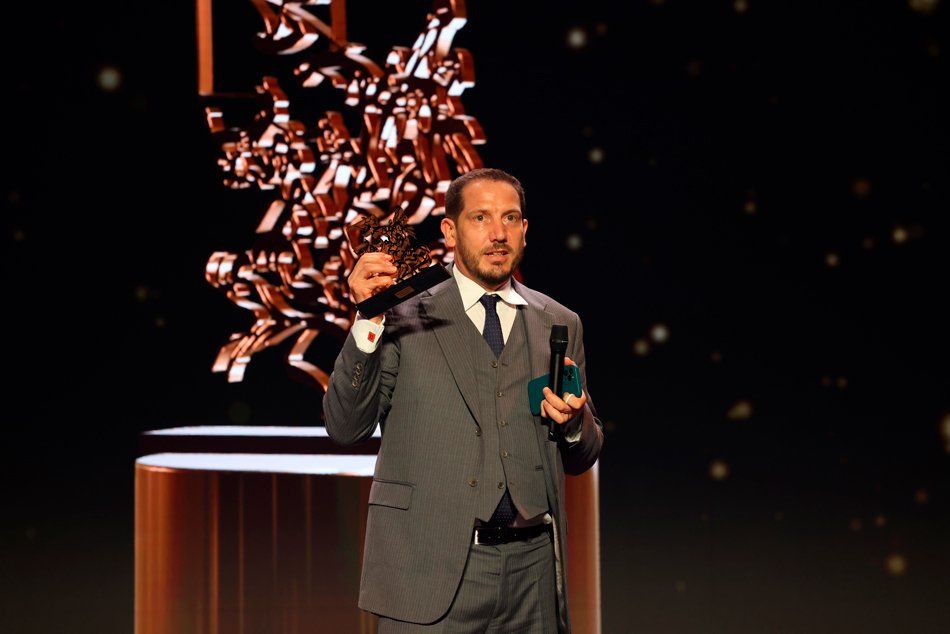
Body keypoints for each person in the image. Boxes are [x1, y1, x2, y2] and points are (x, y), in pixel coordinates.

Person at [323, 168, 604, 633]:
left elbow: (582, 454)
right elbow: (345, 426)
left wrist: (575, 425)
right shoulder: (402, 315)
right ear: (450, 231)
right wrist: (368, 319)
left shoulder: (560, 322)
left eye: (510, 218)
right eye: (481, 218)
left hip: (532, 576)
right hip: (429, 571)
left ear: (525, 230)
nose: (498, 233)